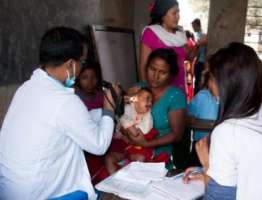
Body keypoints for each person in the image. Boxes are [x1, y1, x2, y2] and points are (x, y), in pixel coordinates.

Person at [0, 27, 117, 200]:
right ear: (71, 64)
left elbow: (67, 121)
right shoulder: (65, 101)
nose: (81, 68)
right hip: (43, 195)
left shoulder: (26, 88)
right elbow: (99, 145)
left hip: (10, 190)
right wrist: (109, 109)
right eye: (82, 63)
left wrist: (100, 113)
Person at [183, 42, 262, 200]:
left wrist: (208, 166)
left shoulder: (227, 132)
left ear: (222, 82)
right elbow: (258, 174)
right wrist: (207, 174)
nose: (209, 84)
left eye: (210, 77)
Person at [122, 48, 186, 170]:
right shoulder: (138, 89)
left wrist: (146, 143)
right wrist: (127, 97)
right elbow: (127, 114)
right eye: (152, 69)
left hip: (160, 158)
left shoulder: (175, 97)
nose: (155, 76)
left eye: (163, 72)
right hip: (132, 152)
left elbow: (177, 135)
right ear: (146, 68)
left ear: (171, 74)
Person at [139, 0, 187, 92]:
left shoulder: (180, 34)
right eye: (174, 13)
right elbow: (143, 68)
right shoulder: (150, 33)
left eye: (178, 12)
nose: (178, 16)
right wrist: (147, 92)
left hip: (179, 86)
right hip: (158, 89)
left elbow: (184, 58)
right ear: (163, 15)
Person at [187, 67, 219, 166]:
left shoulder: (229, 99)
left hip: (218, 145)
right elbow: (189, 116)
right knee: (196, 169)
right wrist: (191, 118)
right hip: (200, 144)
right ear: (208, 81)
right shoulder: (202, 96)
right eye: (213, 80)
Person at [192, 18, 207, 94]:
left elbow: (199, 50)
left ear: (198, 25)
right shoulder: (198, 35)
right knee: (197, 81)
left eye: (193, 26)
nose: (193, 28)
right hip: (199, 61)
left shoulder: (202, 35)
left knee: (198, 81)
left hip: (201, 61)